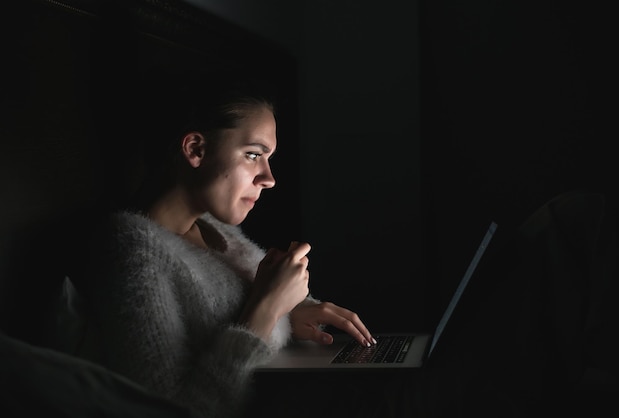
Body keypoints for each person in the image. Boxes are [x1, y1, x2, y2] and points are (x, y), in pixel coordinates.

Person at [55, 72, 377, 418]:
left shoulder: (214, 227)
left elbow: (242, 315)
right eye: (254, 155)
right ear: (196, 149)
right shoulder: (133, 251)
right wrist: (267, 307)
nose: (269, 178)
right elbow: (171, 409)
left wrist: (292, 313)